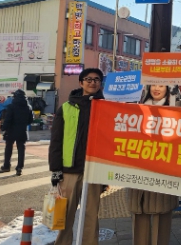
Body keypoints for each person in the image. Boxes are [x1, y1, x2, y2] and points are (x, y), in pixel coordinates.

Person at [49, 68, 105, 245]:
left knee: (91, 216)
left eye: (96, 79)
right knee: (65, 215)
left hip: (94, 171)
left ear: (100, 84)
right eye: (88, 79)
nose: (92, 82)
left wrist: (106, 175)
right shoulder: (66, 108)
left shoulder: (107, 108)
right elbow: (56, 140)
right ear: (81, 83)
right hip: (69, 171)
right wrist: (56, 170)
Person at [129, 85, 181, 245]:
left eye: (161, 85)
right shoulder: (137, 108)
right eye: (154, 84)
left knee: (161, 218)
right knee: (139, 216)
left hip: (163, 173)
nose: (156, 88)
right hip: (139, 172)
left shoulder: (175, 107)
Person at [0, 89, 33, 176]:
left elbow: (8, 119)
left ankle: (6, 166)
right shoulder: (28, 107)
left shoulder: (11, 106)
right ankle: (19, 168)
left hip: (11, 130)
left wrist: (3, 128)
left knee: (8, 148)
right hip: (22, 131)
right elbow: (30, 120)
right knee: (21, 149)